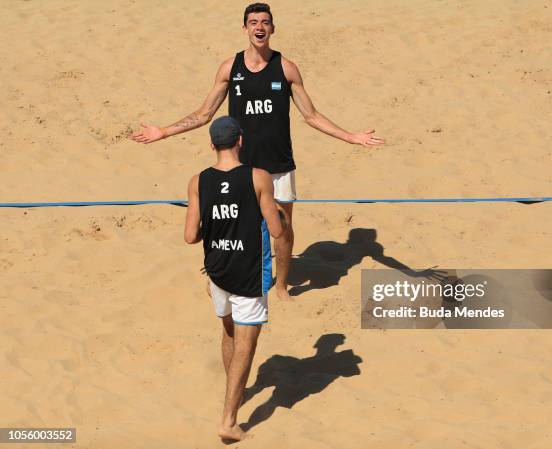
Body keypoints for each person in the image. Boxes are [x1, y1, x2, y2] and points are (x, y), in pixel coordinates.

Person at [133, 2, 385, 301]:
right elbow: (204, 114)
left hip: (279, 164)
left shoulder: (287, 68)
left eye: (265, 22)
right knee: (236, 224)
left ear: (273, 29)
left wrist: (350, 136)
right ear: (245, 29)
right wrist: (163, 131)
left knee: (283, 228)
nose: (259, 27)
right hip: (242, 167)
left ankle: (280, 286)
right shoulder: (230, 67)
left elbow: (311, 115)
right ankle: (227, 276)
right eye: (253, 22)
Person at [184, 115, 286, 442]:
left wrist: (215, 226)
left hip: (217, 270)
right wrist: (277, 214)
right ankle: (229, 419)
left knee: (227, 327)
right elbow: (276, 229)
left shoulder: (198, 181)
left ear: (213, 145)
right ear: (240, 141)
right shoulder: (259, 177)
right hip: (249, 272)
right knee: (247, 340)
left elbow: (190, 235)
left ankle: (235, 390)